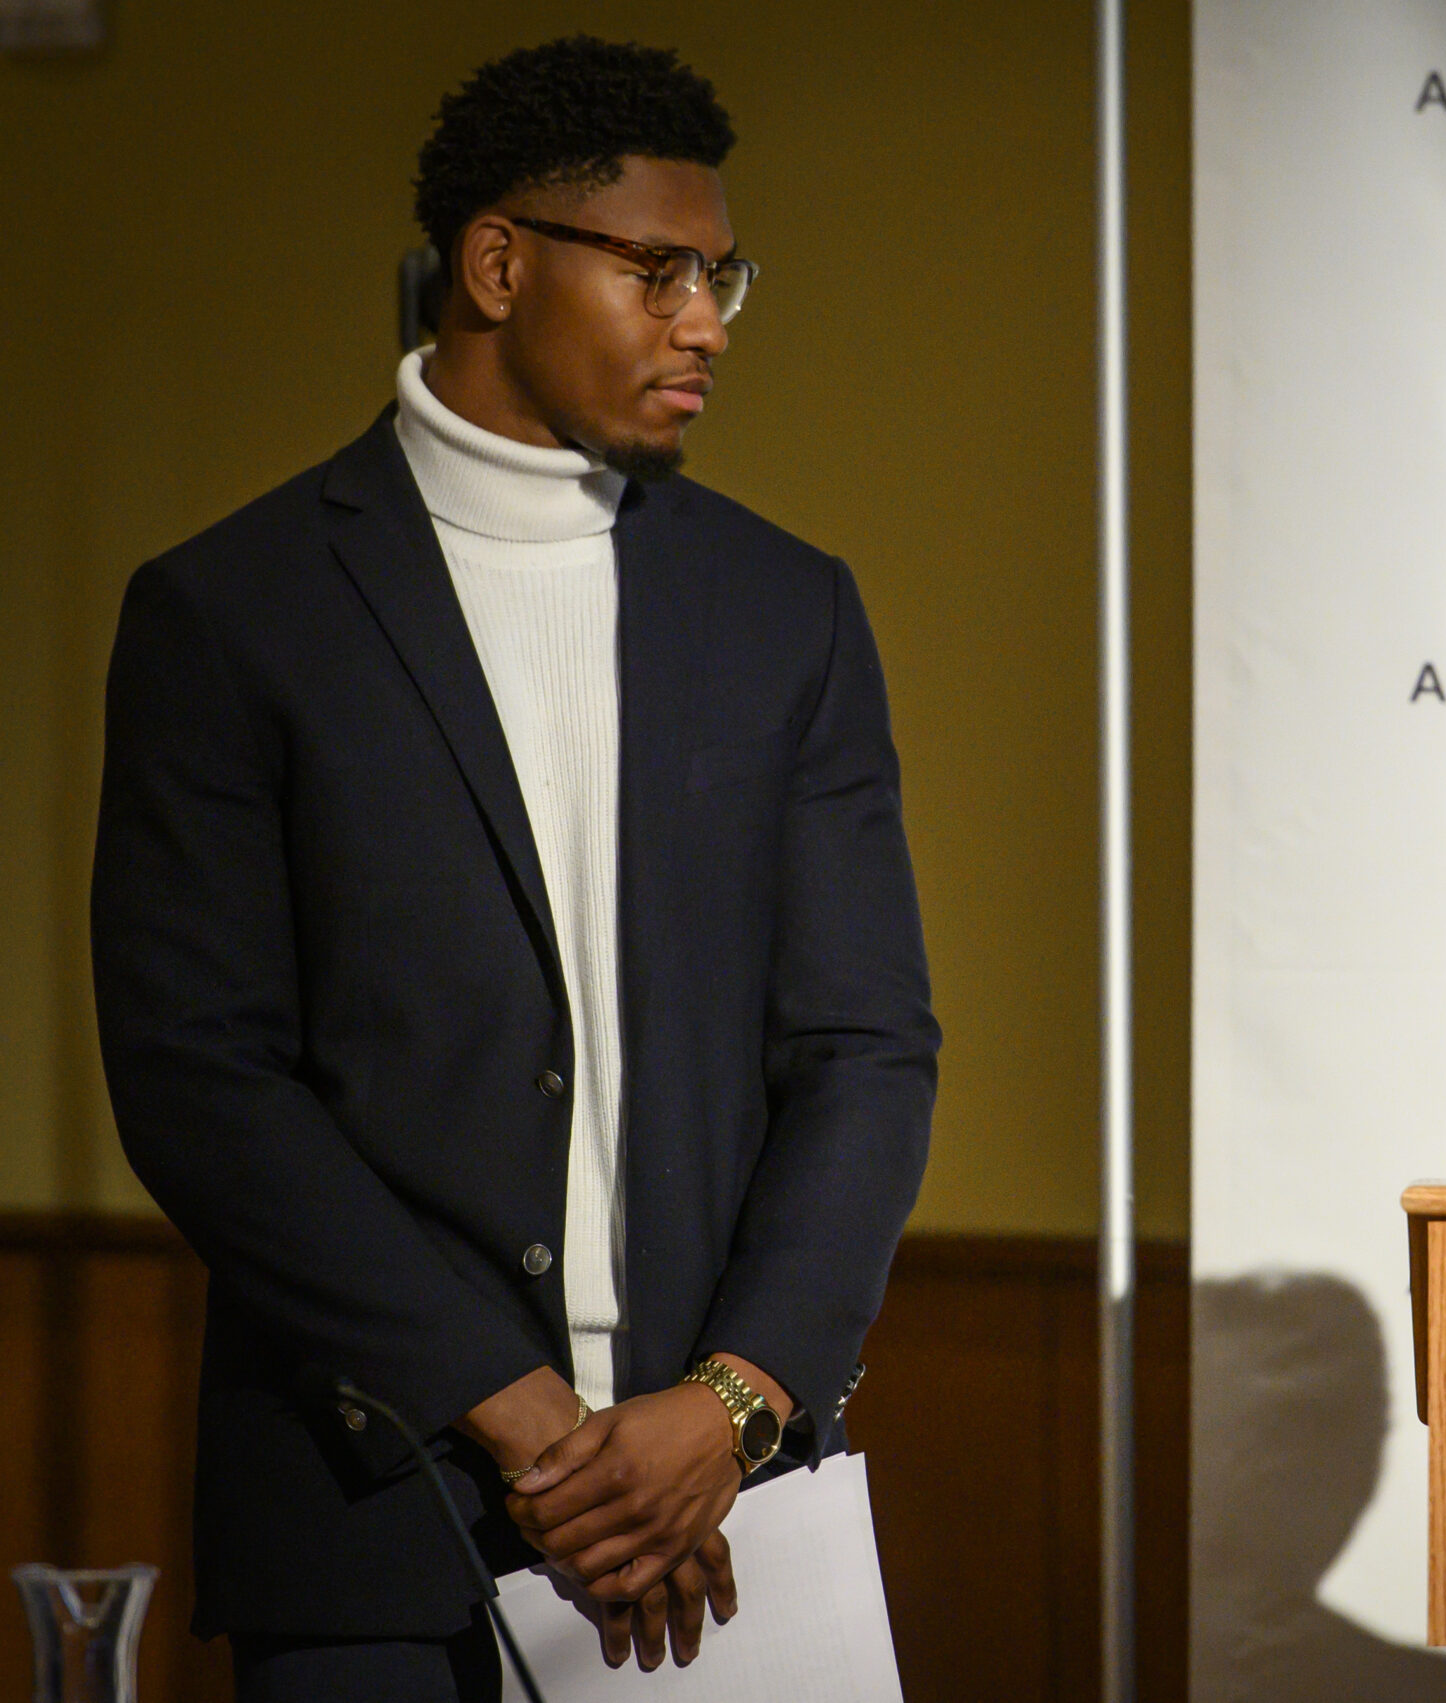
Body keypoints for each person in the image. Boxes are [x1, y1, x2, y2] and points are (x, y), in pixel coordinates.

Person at [90, 37, 938, 1702]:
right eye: (660, 270)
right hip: (372, 1503)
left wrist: (734, 1398)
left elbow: (863, 1046)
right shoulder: (231, 609)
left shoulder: (789, 610)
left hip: (728, 1512)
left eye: (723, 276)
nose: (704, 321)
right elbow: (202, 1070)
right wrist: (516, 1404)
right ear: (496, 265)